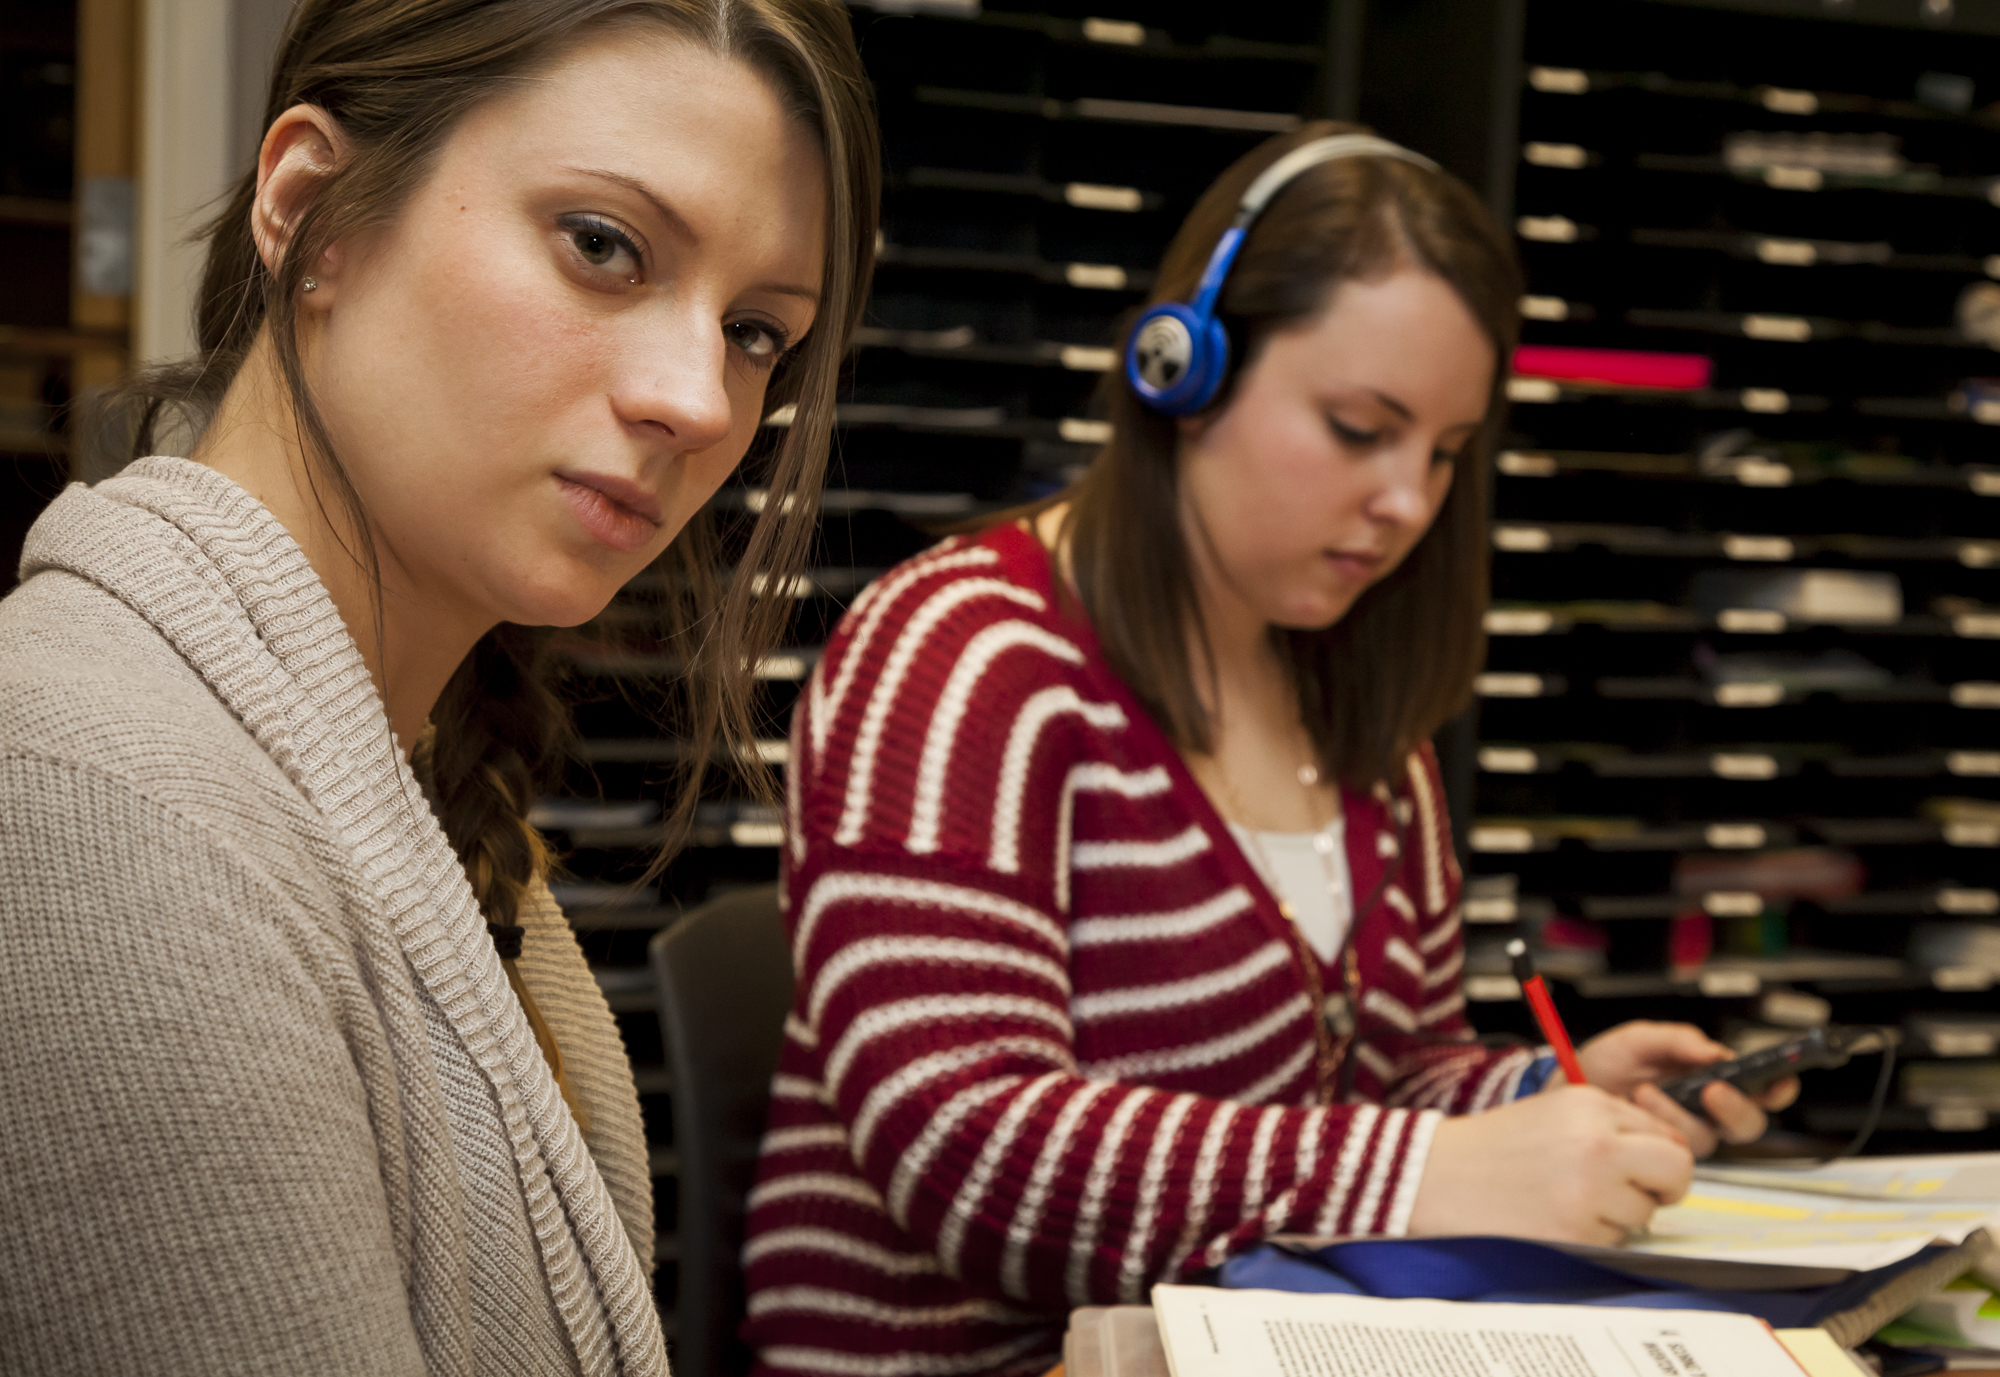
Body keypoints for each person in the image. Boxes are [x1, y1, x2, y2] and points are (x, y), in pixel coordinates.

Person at [743, 123, 1795, 1376]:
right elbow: (965, 1151)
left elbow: (1379, 1081)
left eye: (1445, 453)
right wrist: (1430, 1172)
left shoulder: (1352, 708)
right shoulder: (963, 655)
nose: (1407, 500)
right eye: (1360, 428)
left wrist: (1540, 1105)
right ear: (1181, 370)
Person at [0, 2, 877, 1372]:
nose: (700, 398)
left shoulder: (402, 774)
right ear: (311, 208)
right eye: (604, 246)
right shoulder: (102, 806)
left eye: (760, 331)